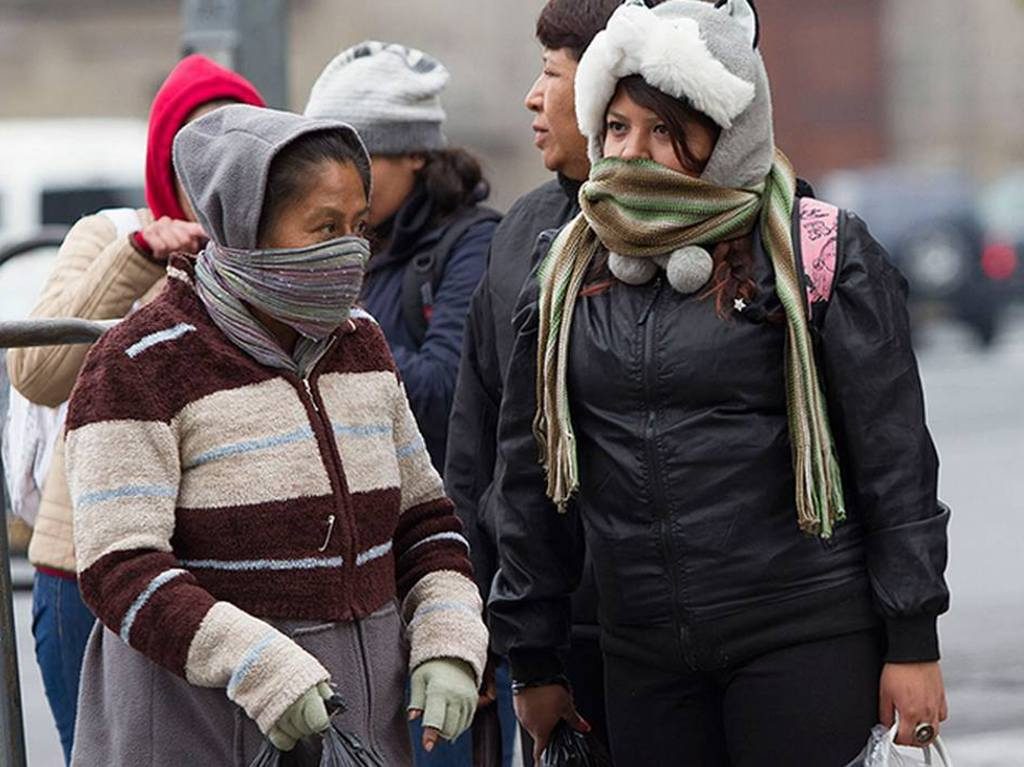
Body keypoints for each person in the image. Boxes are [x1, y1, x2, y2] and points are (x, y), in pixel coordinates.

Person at [488, 2, 951, 765]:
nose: (634, 152)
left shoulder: (816, 252)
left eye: (665, 130)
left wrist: (913, 639)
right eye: (617, 127)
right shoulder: (563, 269)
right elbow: (530, 478)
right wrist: (533, 656)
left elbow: (894, 462)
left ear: (726, 136)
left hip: (803, 638)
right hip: (643, 657)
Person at [63, 105, 487, 766]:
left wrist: (449, 636)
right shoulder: (140, 363)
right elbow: (121, 565)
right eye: (324, 227)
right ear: (244, 227)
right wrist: (259, 666)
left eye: (358, 226)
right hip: (196, 728)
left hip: (359, 728)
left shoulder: (362, 345)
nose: (350, 250)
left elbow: (424, 521)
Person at [5, 54, 264, 764]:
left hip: (224, 578)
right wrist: (141, 258)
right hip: (88, 574)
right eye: (194, 151)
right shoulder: (111, 236)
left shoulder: (272, 260)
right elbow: (34, 370)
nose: (214, 174)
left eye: (234, 150)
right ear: (163, 158)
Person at [445, 3, 654, 760]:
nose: (533, 97)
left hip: (661, 626)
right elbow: (479, 446)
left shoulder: (693, 237)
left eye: (551, 74)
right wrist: (475, 618)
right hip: (549, 627)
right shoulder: (519, 236)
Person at [305, 42, 499, 475]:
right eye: (323, 167)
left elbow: (445, 394)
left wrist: (325, 313)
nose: (338, 186)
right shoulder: (338, 240)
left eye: (360, 161)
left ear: (415, 153)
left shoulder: (474, 243)